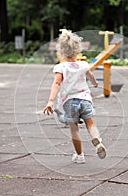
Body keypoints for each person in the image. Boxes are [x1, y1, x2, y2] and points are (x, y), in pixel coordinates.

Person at [43, 29, 106, 164]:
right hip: (85, 99)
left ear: (61, 52)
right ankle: (97, 141)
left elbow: (56, 83)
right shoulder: (83, 65)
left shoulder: (61, 67)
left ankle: (80, 155)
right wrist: (95, 83)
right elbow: (91, 76)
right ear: (78, 51)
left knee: (74, 129)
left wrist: (50, 101)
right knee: (91, 123)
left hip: (70, 102)